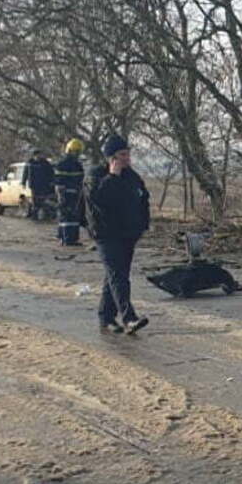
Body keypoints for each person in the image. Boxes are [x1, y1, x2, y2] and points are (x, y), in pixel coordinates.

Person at [86, 135, 150, 335]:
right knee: (118, 276)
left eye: (128, 154)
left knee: (114, 275)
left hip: (128, 233)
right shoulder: (96, 176)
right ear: (111, 158)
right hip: (106, 234)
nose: (127, 158)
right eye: (122, 155)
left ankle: (106, 316)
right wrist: (112, 177)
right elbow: (98, 199)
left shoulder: (132, 176)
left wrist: (143, 225)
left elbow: (142, 199)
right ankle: (129, 317)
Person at [55, 139, 87, 246]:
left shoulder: (77, 164)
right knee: (69, 216)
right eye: (76, 152)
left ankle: (63, 237)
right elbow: (59, 180)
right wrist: (61, 194)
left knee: (69, 215)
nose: (77, 154)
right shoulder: (64, 164)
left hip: (75, 193)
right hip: (67, 194)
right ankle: (69, 239)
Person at [25, 151, 56, 221]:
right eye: (37, 155)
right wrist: (24, 182)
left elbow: (51, 172)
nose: (38, 156)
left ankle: (46, 215)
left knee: (44, 200)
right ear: (34, 155)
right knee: (35, 201)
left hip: (44, 185)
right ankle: (35, 216)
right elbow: (26, 173)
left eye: (39, 155)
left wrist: (51, 182)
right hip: (34, 185)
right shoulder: (30, 162)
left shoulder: (45, 163)